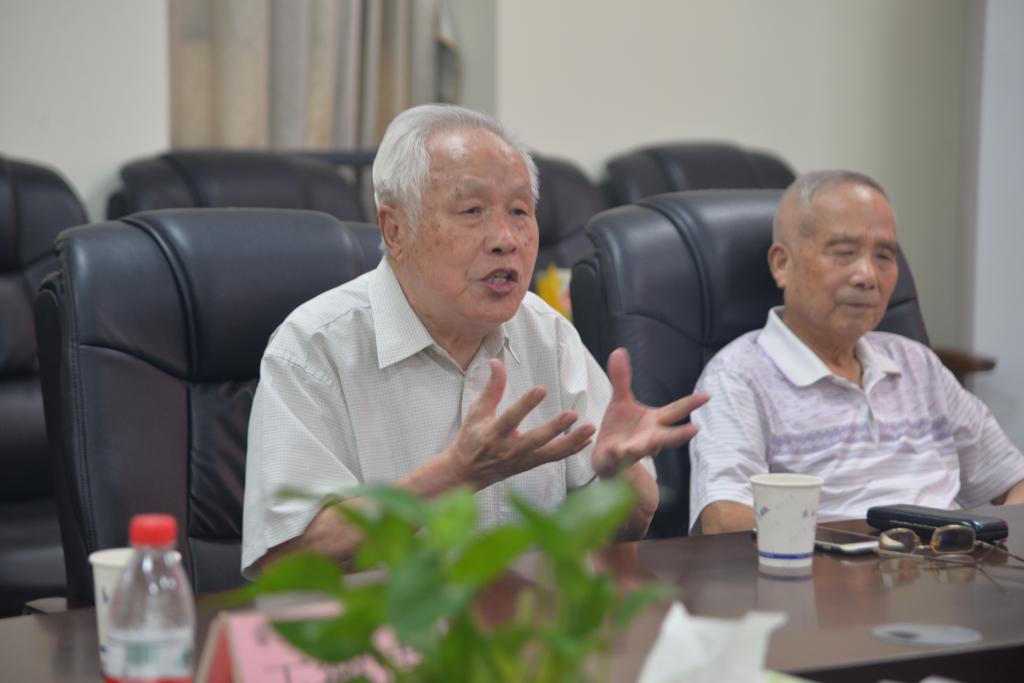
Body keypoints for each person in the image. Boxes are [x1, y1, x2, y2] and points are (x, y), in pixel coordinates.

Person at [242, 104, 708, 576]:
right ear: (395, 230)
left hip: (527, 620)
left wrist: (621, 481)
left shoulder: (547, 335)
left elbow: (621, 533)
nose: (506, 239)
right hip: (381, 623)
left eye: (519, 211)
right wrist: (456, 473)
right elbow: (286, 561)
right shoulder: (313, 349)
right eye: (472, 211)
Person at [689, 170, 1024, 534]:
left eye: (884, 256)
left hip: (954, 561)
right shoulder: (737, 376)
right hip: (830, 565)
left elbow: (1014, 480)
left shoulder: (917, 364)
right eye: (844, 253)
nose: (868, 276)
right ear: (782, 264)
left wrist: (999, 541)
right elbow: (724, 520)